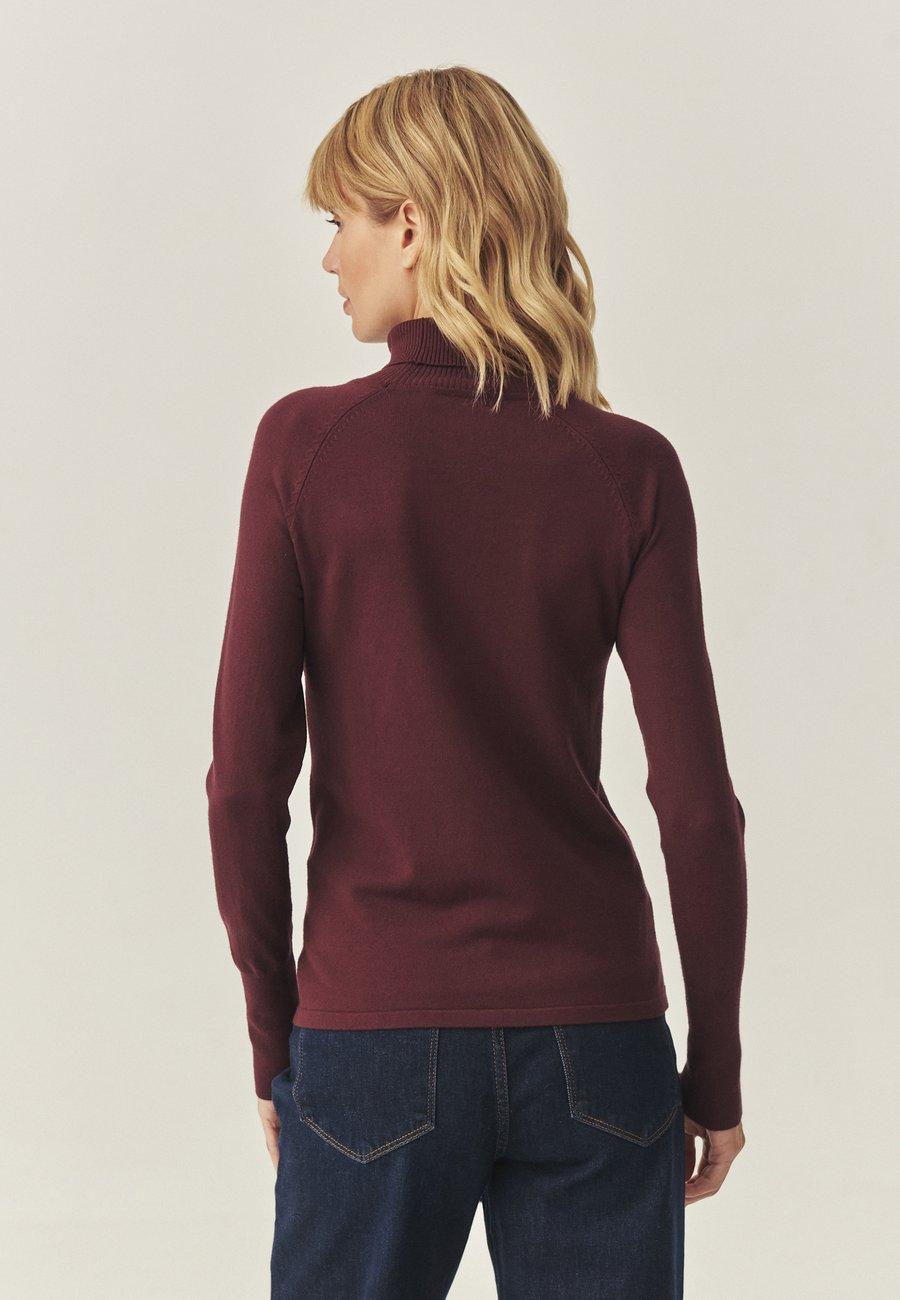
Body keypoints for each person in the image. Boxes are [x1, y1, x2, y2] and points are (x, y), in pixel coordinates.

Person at [205, 65, 748, 1299]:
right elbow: (698, 806)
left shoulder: (307, 447)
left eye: (340, 219)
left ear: (410, 222)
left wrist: (278, 1040)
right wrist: (713, 1070)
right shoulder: (628, 467)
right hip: (599, 1040)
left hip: (373, 1033)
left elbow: (243, 785)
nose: (330, 257)